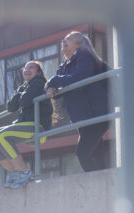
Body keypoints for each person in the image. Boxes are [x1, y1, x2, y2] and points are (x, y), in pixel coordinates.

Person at [45, 31, 111, 172]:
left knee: (82, 154)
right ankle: (106, 187)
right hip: (81, 117)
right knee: (96, 156)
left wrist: (53, 82)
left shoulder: (84, 57)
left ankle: (97, 186)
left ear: (79, 44)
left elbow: (78, 79)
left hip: (96, 114)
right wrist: (51, 89)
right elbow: (60, 90)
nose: (64, 39)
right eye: (64, 38)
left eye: (69, 38)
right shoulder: (64, 66)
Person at [0, 61, 53, 188]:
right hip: (24, 125)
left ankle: (24, 172)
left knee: (2, 136)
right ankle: (13, 172)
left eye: (31, 68)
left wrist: (20, 95)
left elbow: (25, 100)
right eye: (25, 68)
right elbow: (11, 107)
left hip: (37, 127)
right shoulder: (25, 86)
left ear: (38, 72)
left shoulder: (39, 82)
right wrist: (21, 91)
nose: (26, 70)